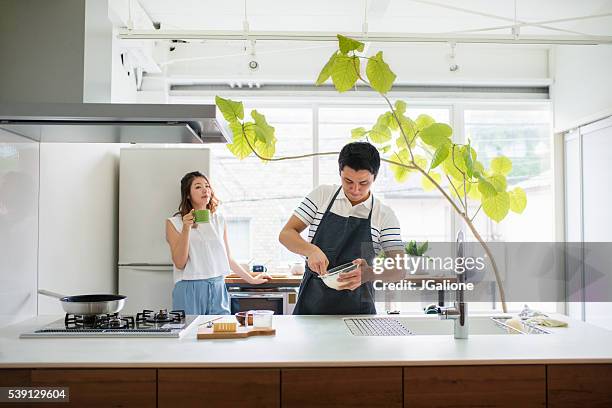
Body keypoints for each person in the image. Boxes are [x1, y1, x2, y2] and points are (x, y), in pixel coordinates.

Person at [279, 142, 405, 315]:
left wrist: (369, 273)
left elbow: (399, 269)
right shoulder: (322, 195)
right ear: (340, 173)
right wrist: (311, 250)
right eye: (348, 181)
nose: (355, 189)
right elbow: (286, 234)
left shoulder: (384, 214)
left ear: (374, 177)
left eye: (363, 183)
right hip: (312, 307)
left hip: (359, 313)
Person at [166, 171, 269, 315]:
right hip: (189, 287)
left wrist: (251, 279)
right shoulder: (174, 223)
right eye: (198, 187)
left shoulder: (219, 220)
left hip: (218, 286)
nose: (205, 190)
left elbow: (228, 257)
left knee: (220, 332)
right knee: (189, 335)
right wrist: (186, 228)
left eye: (207, 186)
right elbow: (179, 263)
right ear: (187, 194)